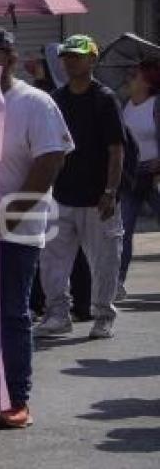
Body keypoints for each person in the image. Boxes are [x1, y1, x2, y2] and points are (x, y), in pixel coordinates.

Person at [0, 26, 73, 428]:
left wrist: (9, 216)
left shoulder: (34, 103)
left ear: (9, 57)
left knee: (10, 312)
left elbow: (50, 162)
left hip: (17, 230)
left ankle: (16, 399)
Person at [35, 35, 126, 340]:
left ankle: (103, 315)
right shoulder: (56, 100)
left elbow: (116, 149)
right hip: (61, 195)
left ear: (92, 59)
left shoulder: (105, 99)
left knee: (104, 262)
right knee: (52, 262)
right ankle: (57, 314)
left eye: (77, 55)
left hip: (97, 199)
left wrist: (111, 191)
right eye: (67, 56)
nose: (70, 60)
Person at [118, 59, 160, 296]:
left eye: (134, 75)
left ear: (147, 81)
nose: (129, 78)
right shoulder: (126, 106)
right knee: (124, 230)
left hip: (156, 175)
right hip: (133, 176)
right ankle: (118, 282)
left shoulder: (156, 104)